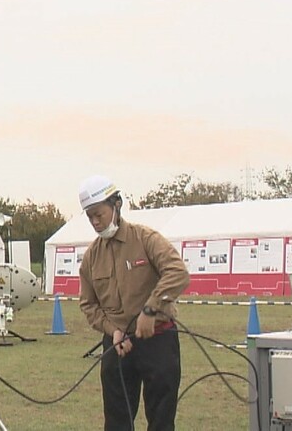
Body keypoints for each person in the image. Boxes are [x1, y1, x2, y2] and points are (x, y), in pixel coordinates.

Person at [76, 175, 190, 431]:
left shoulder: (146, 239)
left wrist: (151, 309)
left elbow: (177, 273)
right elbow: (89, 305)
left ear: (117, 205)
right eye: (90, 216)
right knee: (117, 422)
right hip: (117, 346)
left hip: (158, 341)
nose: (95, 222)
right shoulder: (91, 257)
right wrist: (112, 331)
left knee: (161, 421)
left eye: (99, 214)